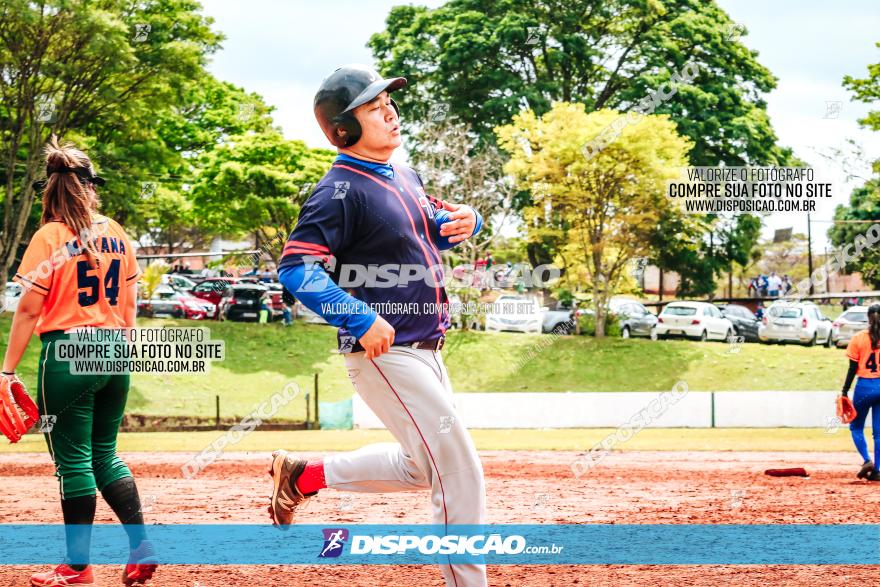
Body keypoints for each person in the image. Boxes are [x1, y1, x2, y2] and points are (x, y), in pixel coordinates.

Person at [269, 64, 486, 586]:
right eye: (373, 106)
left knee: (421, 466)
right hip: (386, 353)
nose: (389, 110)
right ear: (344, 129)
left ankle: (305, 476)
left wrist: (470, 219)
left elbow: (436, 225)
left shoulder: (402, 175)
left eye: (388, 101)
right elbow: (296, 268)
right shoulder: (338, 190)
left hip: (427, 350)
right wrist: (358, 316)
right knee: (459, 472)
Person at [1, 138, 157, 585]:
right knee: (105, 455)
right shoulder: (117, 232)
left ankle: (77, 567)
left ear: (48, 192)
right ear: (90, 187)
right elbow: (129, 310)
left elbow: (29, 309)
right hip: (115, 351)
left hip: (68, 353)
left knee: (73, 462)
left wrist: (7, 371)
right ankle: (140, 545)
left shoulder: (49, 236)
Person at [840, 304, 880, 481]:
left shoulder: (858, 338)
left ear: (868, 317)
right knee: (879, 433)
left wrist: (844, 390)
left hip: (864, 386)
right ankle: (877, 470)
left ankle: (866, 460)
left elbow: (852, 368)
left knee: (856, 427)